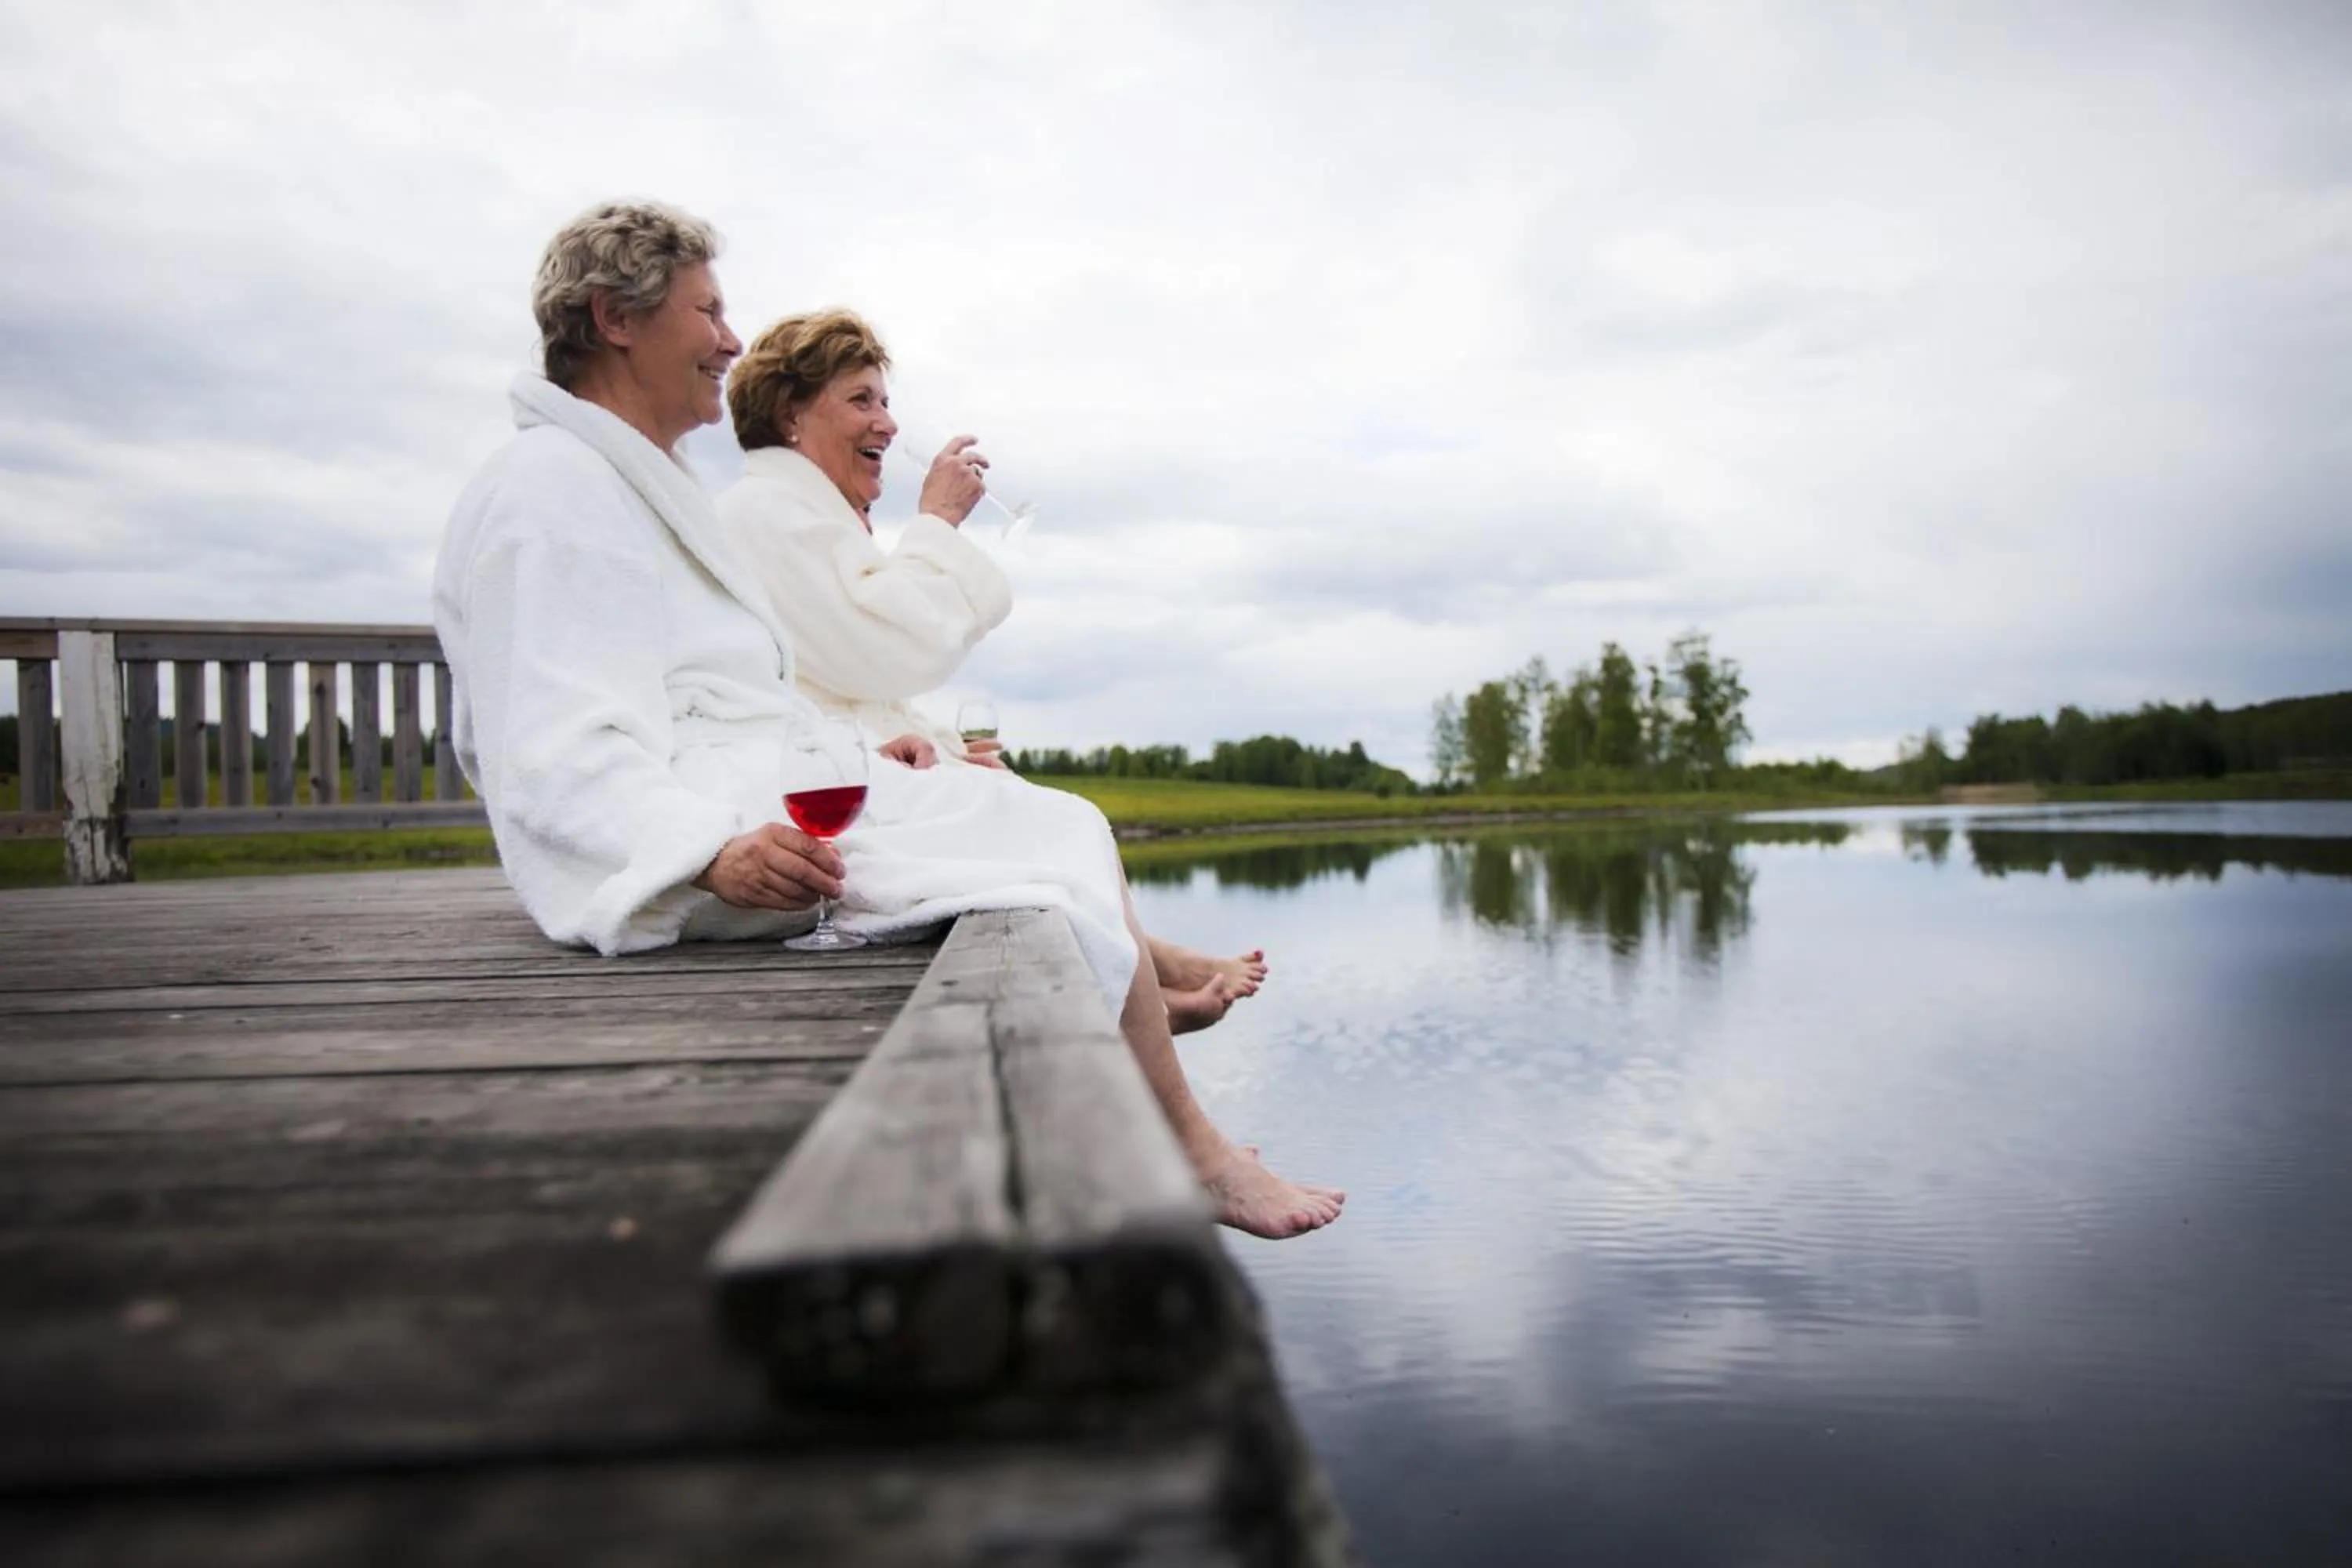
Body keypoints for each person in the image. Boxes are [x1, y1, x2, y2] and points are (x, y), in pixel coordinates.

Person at [433, 200, 1340, 1240]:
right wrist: (704, 854)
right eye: (709, 310)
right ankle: (1190, 1149)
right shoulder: (550, 492)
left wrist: (867, 751)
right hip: (705, 837)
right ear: (616, 318)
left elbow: (742, 690)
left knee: (1051, 820)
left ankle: (1175, 1117)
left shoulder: (623, 483)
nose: (729, 340)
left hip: (743, 792)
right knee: (1034, 838)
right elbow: (551, 742)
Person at [713, 308, 1268, 1028]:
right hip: (796, 800)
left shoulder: (798, 513)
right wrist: (937, 523)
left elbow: (843, 670)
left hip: (835, 761)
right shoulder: (766, 512)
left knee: (1017, 796)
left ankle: (1142, 973)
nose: (887, 423)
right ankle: (1144, 1008)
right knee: (1058, 817)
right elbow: (888, 646)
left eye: (886, 401)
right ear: (791, 414)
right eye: (862, 400)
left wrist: (925, 746)